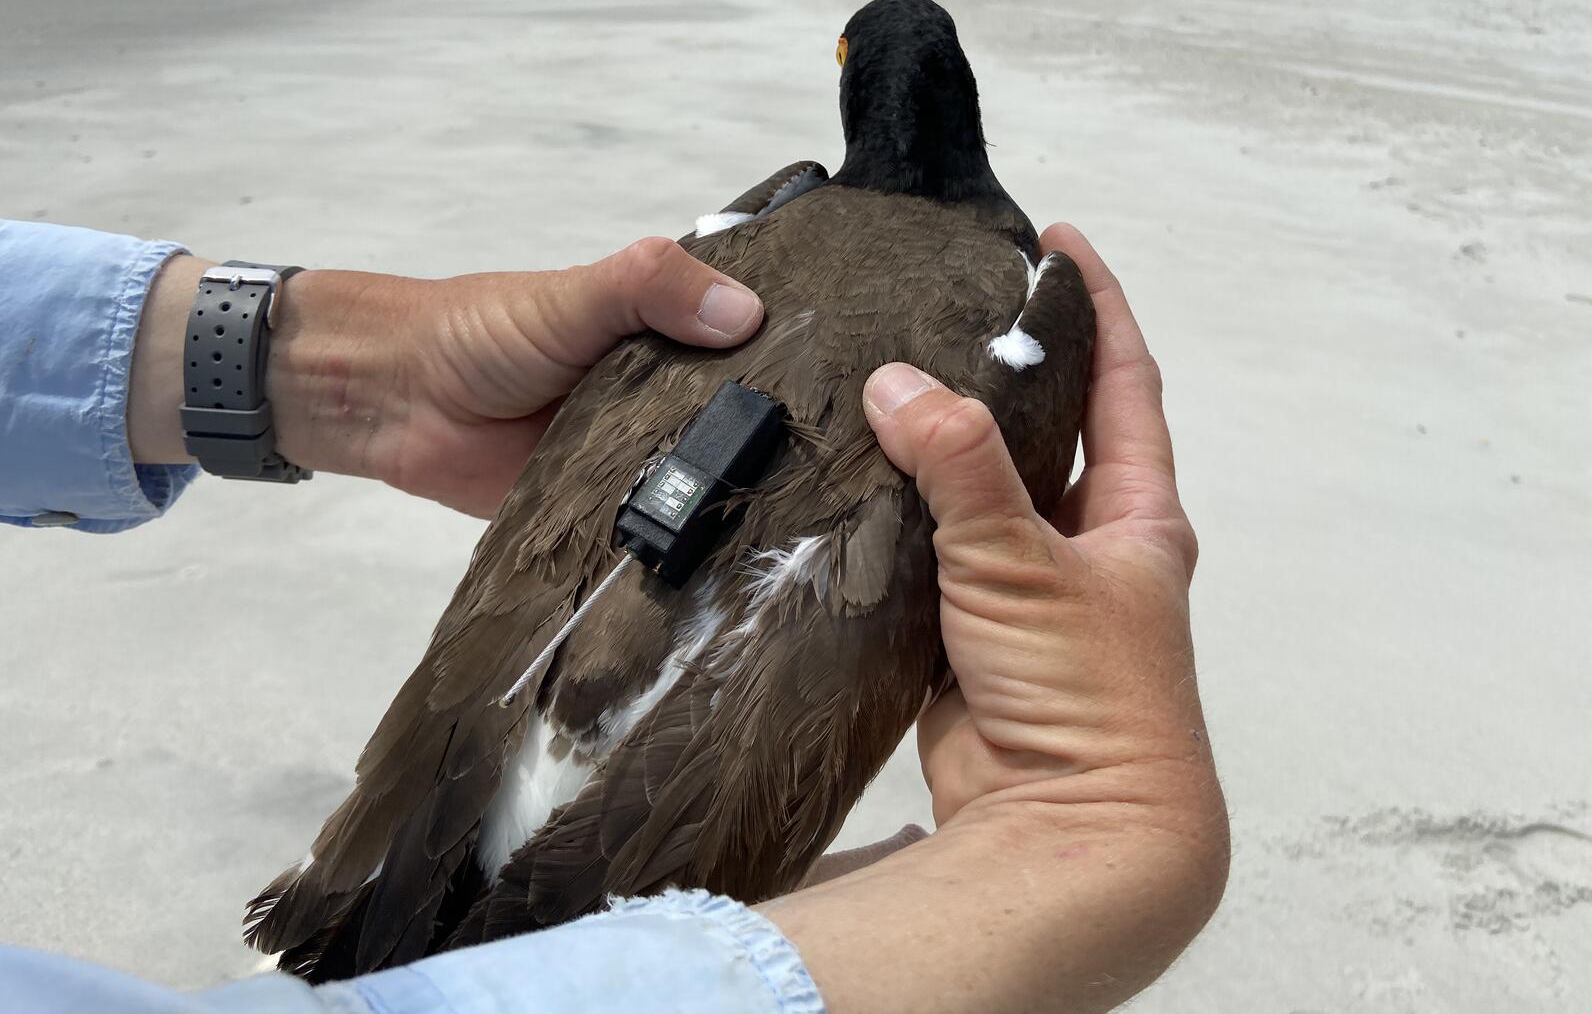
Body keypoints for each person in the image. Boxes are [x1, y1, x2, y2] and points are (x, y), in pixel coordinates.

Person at [0, 217, 1227, 1013]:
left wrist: (341, 370)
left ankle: (401, 869)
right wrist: (1097, 839)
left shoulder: (772, 215)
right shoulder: (815, 227)